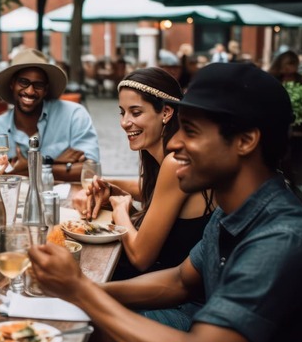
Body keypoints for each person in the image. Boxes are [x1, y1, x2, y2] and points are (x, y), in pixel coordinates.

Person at [29, 62, 302, 342]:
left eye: (191, 131)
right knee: (60, 337)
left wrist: (79, 291)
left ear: (246, 140)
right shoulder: (233, 209)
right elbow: (180, 280)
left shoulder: (281, 239)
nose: (175, 144)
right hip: (201, 336)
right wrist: (84, 290)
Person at [77, 68, 213, 287]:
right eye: (122, 112)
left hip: (177, 298)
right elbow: (150, 189)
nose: (124, 122)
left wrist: (121, 210)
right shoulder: (159, 156)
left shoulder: (175, 162)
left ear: (166, 112)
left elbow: (141, 258)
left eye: (136, 112)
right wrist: (109, 186)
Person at [0, 48, 100, 182]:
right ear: (12, 84)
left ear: (46, 90)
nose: (30, 91)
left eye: (38, 85)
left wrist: (29, 168)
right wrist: (57, 164)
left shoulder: (74, 115)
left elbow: (91, 171)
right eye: (23, 82)